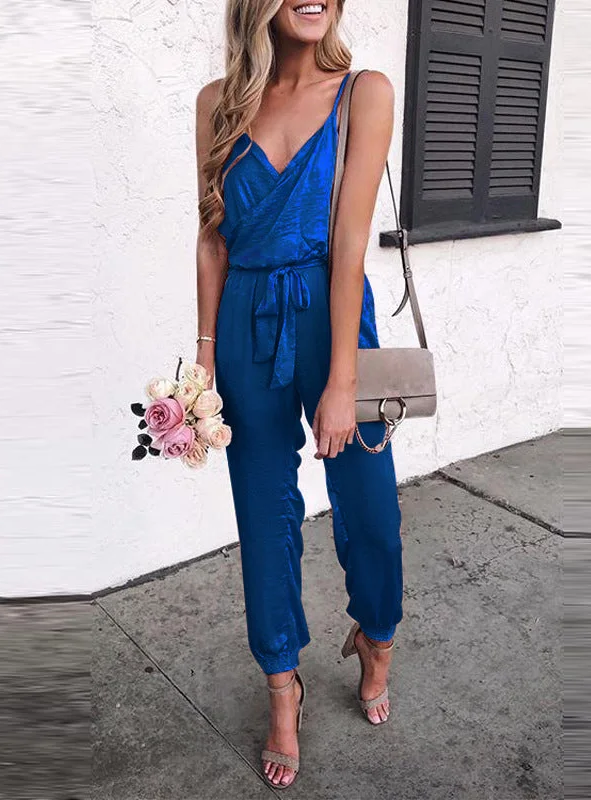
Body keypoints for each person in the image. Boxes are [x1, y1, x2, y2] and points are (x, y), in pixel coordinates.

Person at [193, 0, 402, 789]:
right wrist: (203, 360)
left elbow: (349, 244)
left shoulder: (364, 92)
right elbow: (212, 235)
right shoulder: (218, 103)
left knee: (370, 505)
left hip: (331, 311)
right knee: (262, 508)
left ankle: (376, 634)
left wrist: (341, 380)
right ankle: (283, 686)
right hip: (244, 315)